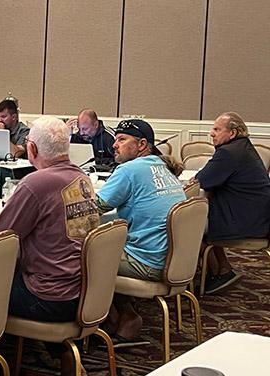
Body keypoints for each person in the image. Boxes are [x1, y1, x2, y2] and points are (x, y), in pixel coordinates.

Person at [0, 115, 100, 376]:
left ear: (32, 149)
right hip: (80, 290)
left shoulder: (35, 183)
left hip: (47, 297)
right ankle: (60, 353)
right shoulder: (81, 177)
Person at [95, 119, 186, 341]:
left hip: (147, 261)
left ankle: (117, 319)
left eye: (122, 139)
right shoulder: (162, 166)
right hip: (173, 259)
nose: (114, 145)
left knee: (82, 257)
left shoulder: (129, 170)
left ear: (142, 144)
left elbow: (94, 208)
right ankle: (116, 317)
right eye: (115, 139)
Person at [192, 112, 270, 294]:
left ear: (233, 133)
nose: (212, 133)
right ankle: (222, 269)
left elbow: (201, 181)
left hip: (245, 220)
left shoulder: (229, 153)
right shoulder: (242, 147)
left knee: (191, 229)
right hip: (256, 216)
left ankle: (217, 272)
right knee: (199, 222)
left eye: (217, 129)